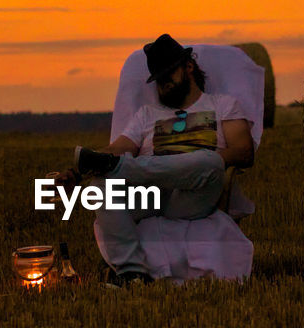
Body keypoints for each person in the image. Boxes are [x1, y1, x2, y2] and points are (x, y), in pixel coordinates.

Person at [51, 33, 255, 287]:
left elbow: (244, 153)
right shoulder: (146, 115)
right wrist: (79, 173)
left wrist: (189, 161)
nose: (163, 83)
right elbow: (118, 148)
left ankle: (127, 169)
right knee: (98, 187)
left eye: (168, 73)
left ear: (188, 66)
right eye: (158, 78)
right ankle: (132, 273)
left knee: (211, 162)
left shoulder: (222, 105)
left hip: (192, 194)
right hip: (150, 194)